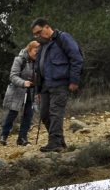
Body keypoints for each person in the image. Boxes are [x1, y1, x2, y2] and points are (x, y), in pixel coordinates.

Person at [31, 18, 83, 153]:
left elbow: (76, 58)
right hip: (45, 86)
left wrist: (74, 81)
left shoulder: (63, 38)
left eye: (38, 32)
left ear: (47, 27)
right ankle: (59, 142)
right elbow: (38, 69)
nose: (37, 36)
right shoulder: (42, 46)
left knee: (55, 112)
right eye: (35, 35)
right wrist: (38, 89)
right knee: (44, 114)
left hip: (60, 83)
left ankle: (54, 142)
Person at [0, 40, 40, 146]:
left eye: (39, 51)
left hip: (31, 92)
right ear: (29, 50)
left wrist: (39, 87)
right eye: (36, 50)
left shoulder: (39, 62)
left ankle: (22, 138)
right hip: (17, 91)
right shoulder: (19, 60)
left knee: (28, 114)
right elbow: (13, 76)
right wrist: (23, 83)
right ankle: (4, 135)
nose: (37, 53)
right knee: (13, 113)